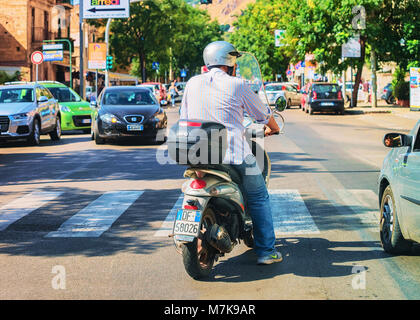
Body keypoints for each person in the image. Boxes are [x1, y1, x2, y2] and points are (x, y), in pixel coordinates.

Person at [180, 41, 282, 265]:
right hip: (234, 155)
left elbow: (184, 115)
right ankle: (266, 251)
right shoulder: (238, 84)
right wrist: (273, 128)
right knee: (258, 196)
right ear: (231, 62)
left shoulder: (192, 83)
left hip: (196, 152)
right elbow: (263, 114)